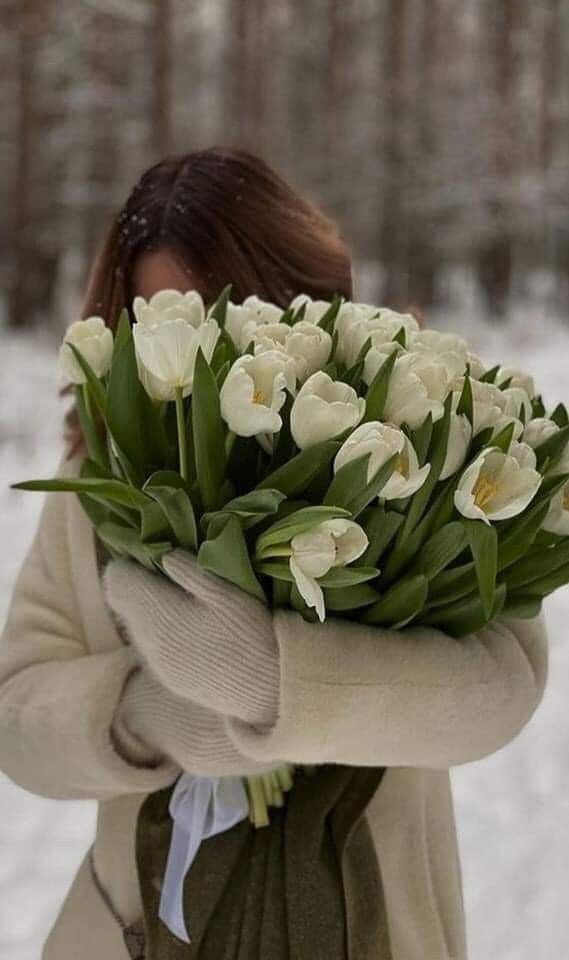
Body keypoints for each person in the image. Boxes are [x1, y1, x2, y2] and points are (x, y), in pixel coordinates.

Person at [0, 146, 548, 960]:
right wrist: (149, 719)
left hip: (376, 929)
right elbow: (17, 718)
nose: (198, 352)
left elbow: (500, 687)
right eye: (158, 320)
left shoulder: (407, 449)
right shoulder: (101, 479)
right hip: (136, 930)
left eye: (225, 311)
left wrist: (277, 685)